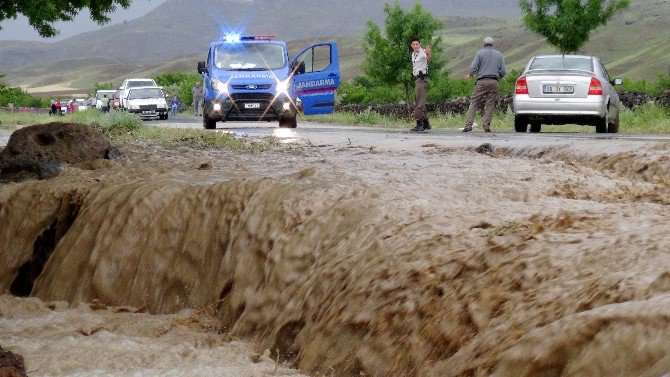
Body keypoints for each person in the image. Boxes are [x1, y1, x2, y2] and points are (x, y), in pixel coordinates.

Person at [463, 37, 507, 133]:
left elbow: (474, 67)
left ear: (484, 44)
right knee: (490, 104)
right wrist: (498, 77)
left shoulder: (480, 53)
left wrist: (470, 74)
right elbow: (503, 71)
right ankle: (486, 126)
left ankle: (468, 125)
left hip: (481, 81)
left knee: (474, 102)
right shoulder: (498, 54)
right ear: (492, 44)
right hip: (494, 82)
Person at [410, 37, 431, 132]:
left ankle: (419, 123)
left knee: (419, 103)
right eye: (413, 44)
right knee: (419, 100)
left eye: (417, 44)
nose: (415, 46)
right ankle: (426, 123)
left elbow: (427, 58)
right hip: (417, 79)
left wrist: (428, 53)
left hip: (422, 79)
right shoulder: (413, 54)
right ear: (411, 46)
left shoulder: (422, 53)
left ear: (420, 44)